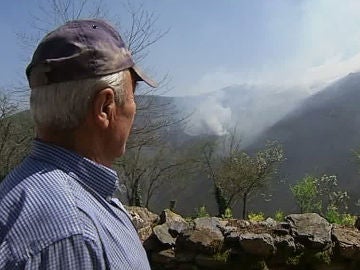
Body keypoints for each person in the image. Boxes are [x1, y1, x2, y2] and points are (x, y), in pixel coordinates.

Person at [0, 19, 157, 269]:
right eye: (131, 96)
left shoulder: (21, 189)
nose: (134, 108)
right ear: (105, 108)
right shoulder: (73, 235)